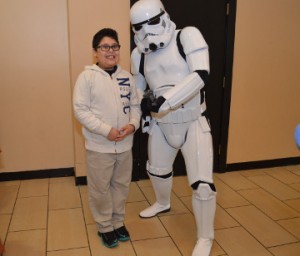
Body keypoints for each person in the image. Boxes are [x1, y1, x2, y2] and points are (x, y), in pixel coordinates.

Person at [130, 1, 216, 255]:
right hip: (161, 123)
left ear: (165, 16)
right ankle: (162, 203)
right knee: (156, 170)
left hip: (193, 121)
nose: (147, 32)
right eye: (139, 27)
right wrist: (143, 105)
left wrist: (167, 100)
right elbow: (140, 85)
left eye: (152, 23)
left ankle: (205, 236)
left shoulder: (187, 36)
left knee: (202, 184)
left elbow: (201, 73)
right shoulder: (139, 54)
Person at [73, 28, 141, 249]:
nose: (110, 51)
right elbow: (80, 110)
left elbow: (135, 106)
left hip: (124, 145)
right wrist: (105, 130)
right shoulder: (87, 77)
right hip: (99, 146)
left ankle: (117, 221)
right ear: (95, 52)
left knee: (120, 186)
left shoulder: (126, 77)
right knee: (100, 189)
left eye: (114, 46)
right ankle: (104, 226)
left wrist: (132, 124)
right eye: (104, 47)